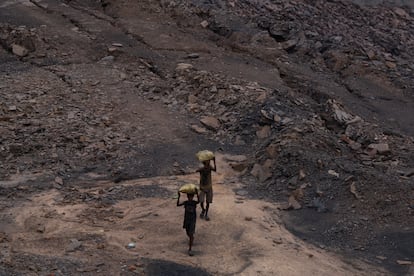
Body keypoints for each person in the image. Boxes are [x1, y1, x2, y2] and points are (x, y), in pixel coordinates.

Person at [177, 189, 199, 256]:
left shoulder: (194, 202)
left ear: (192, 197)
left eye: (191, 197)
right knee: (188, 233)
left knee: (190, 233)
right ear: (187, 197)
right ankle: (191, 239)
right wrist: (178, 197)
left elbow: (199, 201)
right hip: (187, 220)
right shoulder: (186, 202)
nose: (190, 198)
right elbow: (178, 204)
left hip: (192, 220)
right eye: (189, 197)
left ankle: (190, 249)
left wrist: (197, 194)